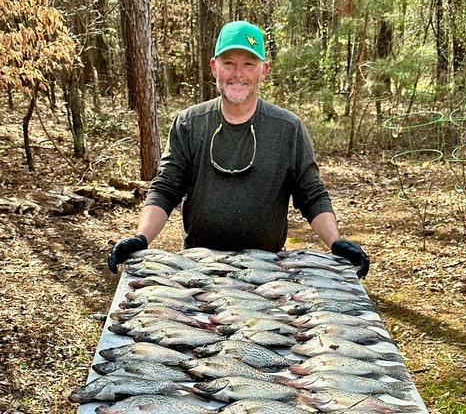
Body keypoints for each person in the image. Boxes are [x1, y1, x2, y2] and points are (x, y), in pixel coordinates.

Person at [108, 20, 369, 278]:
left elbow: (311, 194)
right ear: (214, 67)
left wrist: (335, 242)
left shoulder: (288, 128)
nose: (238, 73)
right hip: (199, 266)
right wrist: (140, 238)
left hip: (268, 270)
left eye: (249, 64)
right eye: (229, 63)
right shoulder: (189, 123)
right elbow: (166, 188)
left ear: (263, 70)